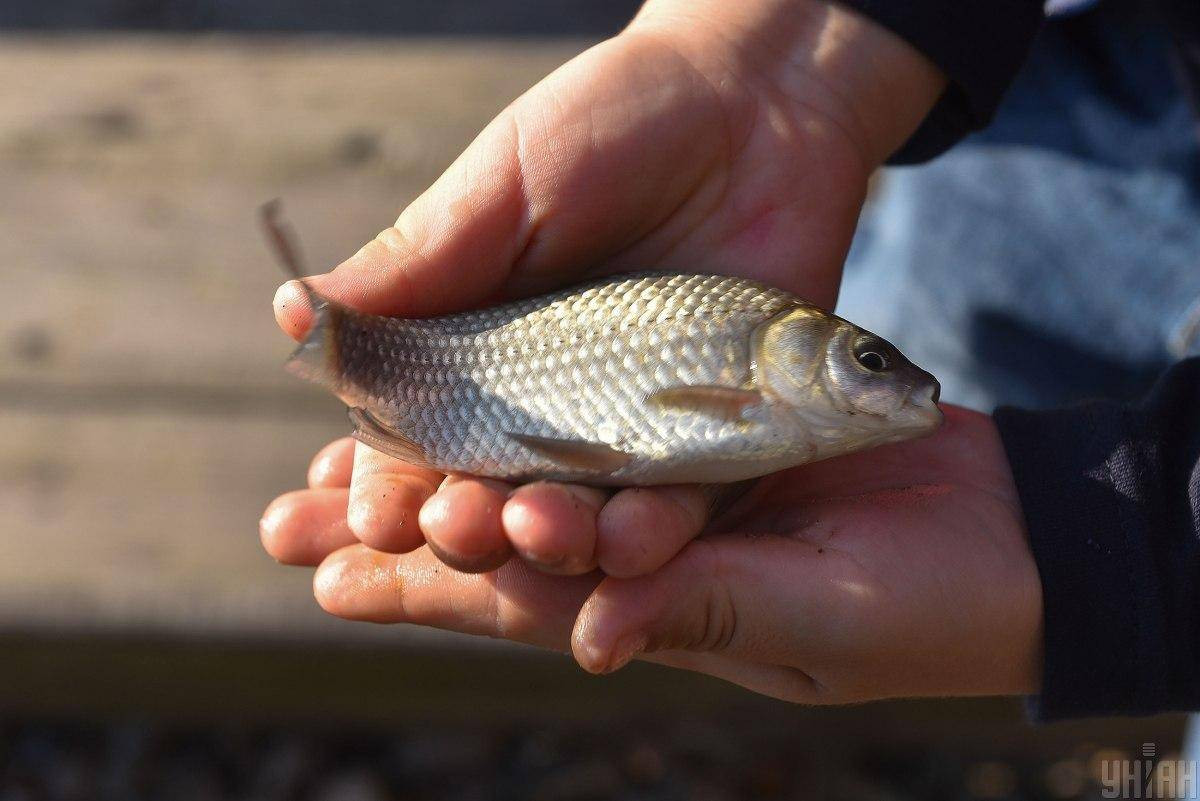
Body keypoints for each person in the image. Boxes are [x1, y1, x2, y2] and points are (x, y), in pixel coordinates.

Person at [260, 0, 1200, 718]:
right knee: (946, 378)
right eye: (867, 361)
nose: (888, 378)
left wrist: (1132, 548)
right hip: (1095, 85)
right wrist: (780, 41)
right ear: (780, 351)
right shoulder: (782, 384)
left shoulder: (787, 398)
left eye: (869, 362)